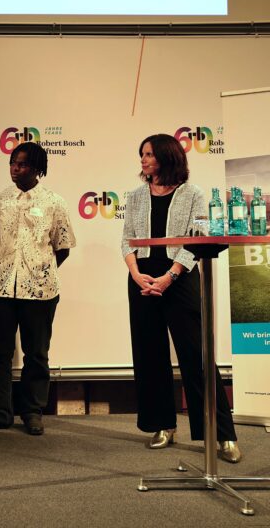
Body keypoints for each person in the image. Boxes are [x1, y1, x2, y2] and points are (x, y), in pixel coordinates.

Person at [121, 133, 240, 462]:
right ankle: (162, 425)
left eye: (149, 154)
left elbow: (200, 239)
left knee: (196, 355)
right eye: (141, 154)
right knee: (150, 354)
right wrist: (136, 274)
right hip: (142, 277)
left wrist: (169, 276)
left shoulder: (196, 194)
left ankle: (221, 435)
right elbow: (127, 240)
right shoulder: (133, 196)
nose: (143, 160)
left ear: (167, 157)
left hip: (182, 276)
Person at [0, 142, 75, 436]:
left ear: (38, 168)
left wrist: (39, 270)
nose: (16, 169)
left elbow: (62, 247)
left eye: (23, 164)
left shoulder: (55, 202)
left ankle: (32, 411)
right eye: (13, 163)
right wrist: (6, 267)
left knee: (37, 353)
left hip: (40, 291)